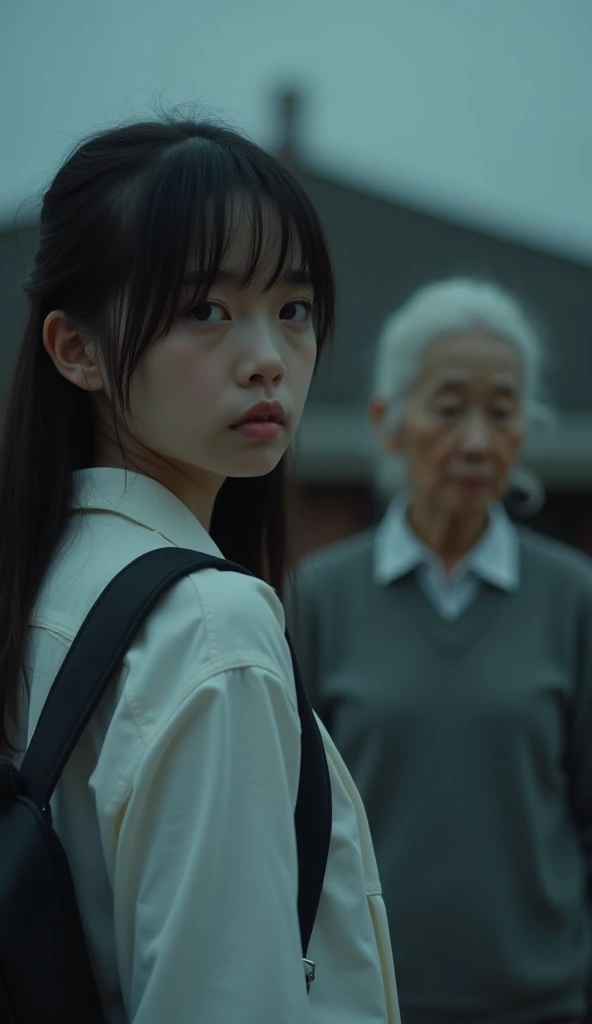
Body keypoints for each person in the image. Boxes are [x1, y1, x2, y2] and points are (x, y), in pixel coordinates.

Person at [0, 114, 400, 1024]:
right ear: (77, 350)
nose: (268, 360)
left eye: (292, 309)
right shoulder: (209, 625)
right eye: (205, 310)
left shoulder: (45, 577)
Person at [289, 278, 592, 1024]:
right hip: (361, 1001)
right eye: (450, 408)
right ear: (388, 421)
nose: (479, 442)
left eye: (503, 410)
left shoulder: (574, 598)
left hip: (542, 1005)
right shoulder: (317, 597)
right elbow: (288, 821)